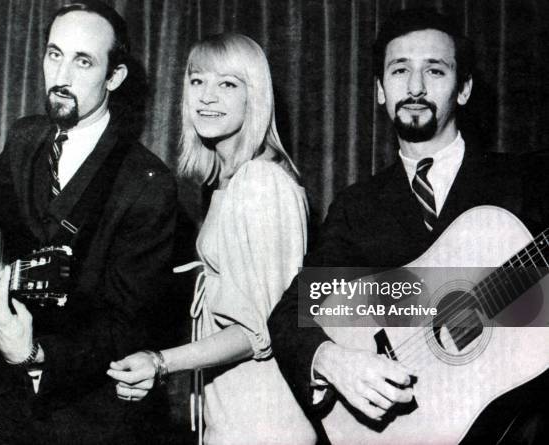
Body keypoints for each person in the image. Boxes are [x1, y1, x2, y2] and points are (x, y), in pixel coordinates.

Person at [268, 8, 549, 445]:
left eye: (434, 70)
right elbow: (291, 316)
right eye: (400, 71)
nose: (415, 87)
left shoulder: (527, 182)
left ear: (465, 88)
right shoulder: (358, 207)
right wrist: (333, 359)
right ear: (380, 90)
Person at [0, 1, 177, 443]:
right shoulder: (27, 136)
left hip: (86, 418)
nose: (61, 77)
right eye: (54, 54)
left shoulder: (148, 184)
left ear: (115, 77)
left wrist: (33, 353)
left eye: (83, 61)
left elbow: (126, 325)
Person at [107, 33, 317, 445]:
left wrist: (160, 362)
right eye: (197, 80)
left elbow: (259, 329)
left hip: (264, 427)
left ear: (253, 97)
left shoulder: (259, 181)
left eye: (228, 84)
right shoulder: (228, 182)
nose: (206, 96)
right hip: (234, 418)